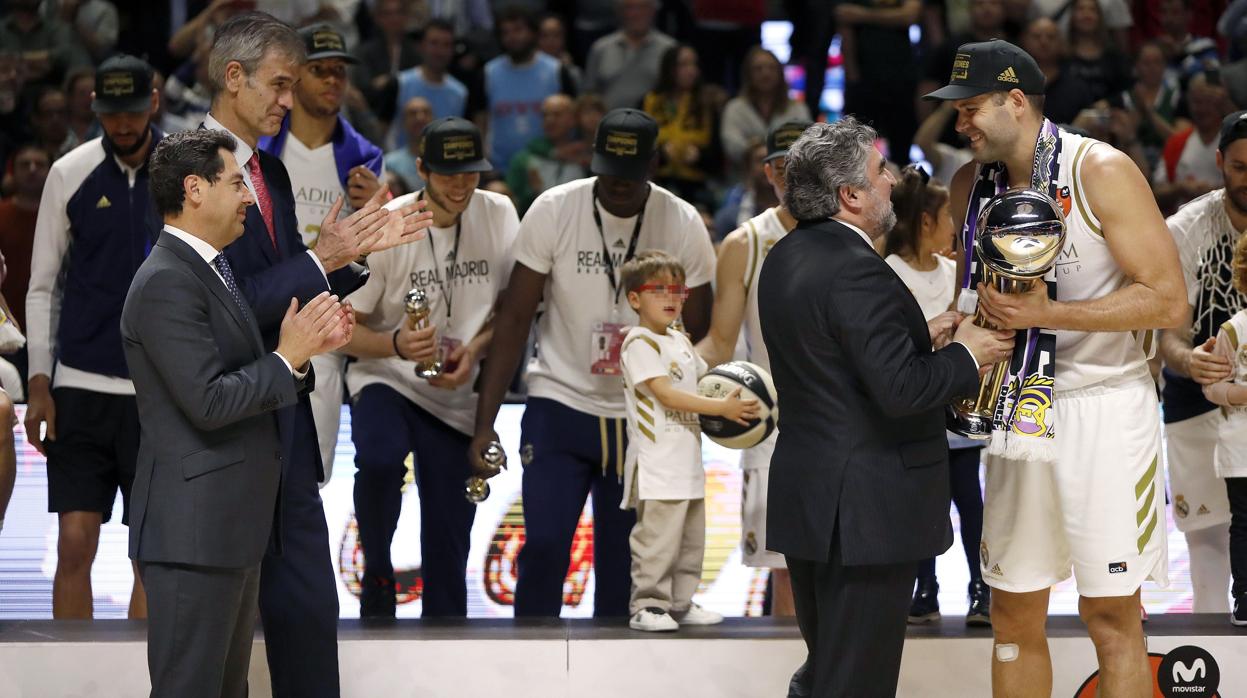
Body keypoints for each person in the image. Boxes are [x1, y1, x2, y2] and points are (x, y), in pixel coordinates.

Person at [925, 39, 1187, 696]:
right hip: (1018, 415)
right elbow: (978, 295)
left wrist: (1050, 315)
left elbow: (1167, 300)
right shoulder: (967, 186)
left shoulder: (1098, 169)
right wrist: (955, 323)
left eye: (969, 108)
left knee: (1110, 613)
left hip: (1103, 405)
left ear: (1015, 101)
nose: (959, 123)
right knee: (1010, 611)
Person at [202, 13, 429, 697]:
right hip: (224, 423)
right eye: (277, 85)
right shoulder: (182, 168)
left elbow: (282, 286)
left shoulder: (265, 169)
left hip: (287, 420)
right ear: (233, 77)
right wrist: (318, 258)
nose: (285, 100)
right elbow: (219, 306)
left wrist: (349, 257)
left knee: (308, 613)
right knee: (217, 634)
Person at [757, 117, 1012, 697]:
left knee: (829, 671)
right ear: (850, 196)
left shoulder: (787, 255)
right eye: (879, 171)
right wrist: (969, 355)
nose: (892, 181)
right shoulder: (857, 268)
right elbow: (901, 391)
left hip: (815, 500)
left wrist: (920, 338)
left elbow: (836, 359)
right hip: (864, 511)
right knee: (856, 682)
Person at [123, 127, 352, 698]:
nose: (249, 196)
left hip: (227, 530)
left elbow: (242, 374)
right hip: (193, 534)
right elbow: (208, 400)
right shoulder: (167, 281)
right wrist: (287, 356)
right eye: (235, 183)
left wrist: (298, 359)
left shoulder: (210, 269)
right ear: (194, 189)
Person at [468, 108, 716, 618]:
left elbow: (701, 333)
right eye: (608, 169)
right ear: (592, 159)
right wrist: (484, 423)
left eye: (630, 172)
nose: (618, 184)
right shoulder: (554, 209)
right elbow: (515, 320)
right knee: (544, 547)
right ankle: (530, 676)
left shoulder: (682, 221)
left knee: (627, 565)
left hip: (642, 416)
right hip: (561, 402)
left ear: (653, 163)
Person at [343, 117, 518, 617]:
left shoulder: (500, 213)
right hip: (387, 377)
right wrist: (396, 344)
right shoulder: (390, 227)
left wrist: (478, 348)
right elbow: (341, 328)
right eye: (447, 173)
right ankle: (377, 574)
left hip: (456, 391)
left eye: (470, 172)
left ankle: (446, 640)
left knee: (448, 535)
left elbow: (515, 304)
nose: (461, 184)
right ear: (420, 169)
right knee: (378, 459)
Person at [24, 54, 161, 621]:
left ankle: (141, 681)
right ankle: (72, 678)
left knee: (151, 555)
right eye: (111, 113)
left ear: (153, 102)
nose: (122, 125)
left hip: (158, 390)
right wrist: (39, 384)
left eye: (131, 111)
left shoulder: (184, 173)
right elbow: (41, 287)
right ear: (96, 110)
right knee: (75, 542)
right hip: (79, 386)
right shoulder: (69, 172)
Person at [256, 22, 385, 483]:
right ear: (295, 77)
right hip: (258, 320)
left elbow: (371, 259)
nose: (332, 80)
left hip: (324, 330)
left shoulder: (365, 159)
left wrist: (375, 209)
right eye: (319, 70)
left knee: (311, 478)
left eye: (339, 72)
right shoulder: (261, 146)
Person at [697, 120, 810, 617]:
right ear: (768, 173)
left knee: (845, 566)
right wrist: (662, 367)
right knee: (787, 570)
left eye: (806, 168)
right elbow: (719, 343)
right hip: (775, 426)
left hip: (845, 420)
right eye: (786, 169)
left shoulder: (859, 235)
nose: (796, 179)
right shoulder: (744, 243)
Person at [881, 165, 991, 626]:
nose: (954, 227)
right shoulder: (887, 273)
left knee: (970, 501)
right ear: (926, 221)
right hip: (914, 411)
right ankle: (924, 588)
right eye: (948, 217)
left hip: (957, 408)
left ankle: (981, 588)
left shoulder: (954, 271)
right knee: (921, 504)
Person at [619, 250, 742, 632]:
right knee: (657, 541)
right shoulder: (639, 343)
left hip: (688, 461)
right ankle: (647, 605)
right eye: (659, 290)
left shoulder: (680, 342)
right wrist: (720, 408)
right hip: (656, 465)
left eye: (678, 290)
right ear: (635, 299)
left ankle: (681, 602)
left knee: (691, 541)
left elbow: (709, 380)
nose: (671, 297)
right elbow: (667, 395)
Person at [1159, 111, 1247, 616]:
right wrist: (1189, 360)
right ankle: (1213, 663)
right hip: (1197, 401)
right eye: (1239, 167)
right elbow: (1166, 334)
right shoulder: (1186, 229)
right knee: (1207, 538)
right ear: (1218, 162)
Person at [1199, 226, 1247, 625]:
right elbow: (1213, 388)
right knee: (1244, 522)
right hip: (1241, 447)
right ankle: (1245, 595)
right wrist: (1241, 395)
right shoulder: (1234, 329)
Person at [482, 5, 576, 174]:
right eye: (506, 32)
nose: (512, 37)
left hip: (549, 166)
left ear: (533, 33)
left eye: (518, 30)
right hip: (499, 169)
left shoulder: (556, 70)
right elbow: (480, 120)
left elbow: (572, 116)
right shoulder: (489, 72)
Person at [642, 43, 723, 208]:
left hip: (697, 184)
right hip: (658, 181)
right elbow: (640, 149)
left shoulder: (707, 103)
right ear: (669, 68)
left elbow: (718, 157)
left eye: (694, 64)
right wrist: (662, 154)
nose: (691, 70)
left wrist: (699, 156)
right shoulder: (649, 101)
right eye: (684, 65)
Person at [719, 47, 811, 169]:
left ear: (780, 73)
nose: (765, 73)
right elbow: (731, 144)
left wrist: (756, 145)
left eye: (771, 68)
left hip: (788, 178)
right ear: (748, 74)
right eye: (758, 69)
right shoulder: (734, 108)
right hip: (744, 180)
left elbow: (807, 144)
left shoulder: (798, 108)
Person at [583, 0, 676, 111]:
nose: (636, 14)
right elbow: (588, 97)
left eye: (643, 7)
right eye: (629, 7)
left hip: (655, 124)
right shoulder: (600, 48)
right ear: (619, 11)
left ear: (653, 11)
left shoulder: (669, 49)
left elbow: (678, 95)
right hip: (608, 123)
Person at [392, 20, 467, 149]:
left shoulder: (460, 93)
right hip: (400, 166)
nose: (440, 51)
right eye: (434, 43)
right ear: (421, 46)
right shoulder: (400, 83)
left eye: (446, 45)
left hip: (444, 167)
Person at [384, 96, 434, 194]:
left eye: (425, 112)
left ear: (433, 119)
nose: (420, 117)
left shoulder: (445, 160)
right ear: (403, 122)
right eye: (412, 113)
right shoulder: (389, 162)